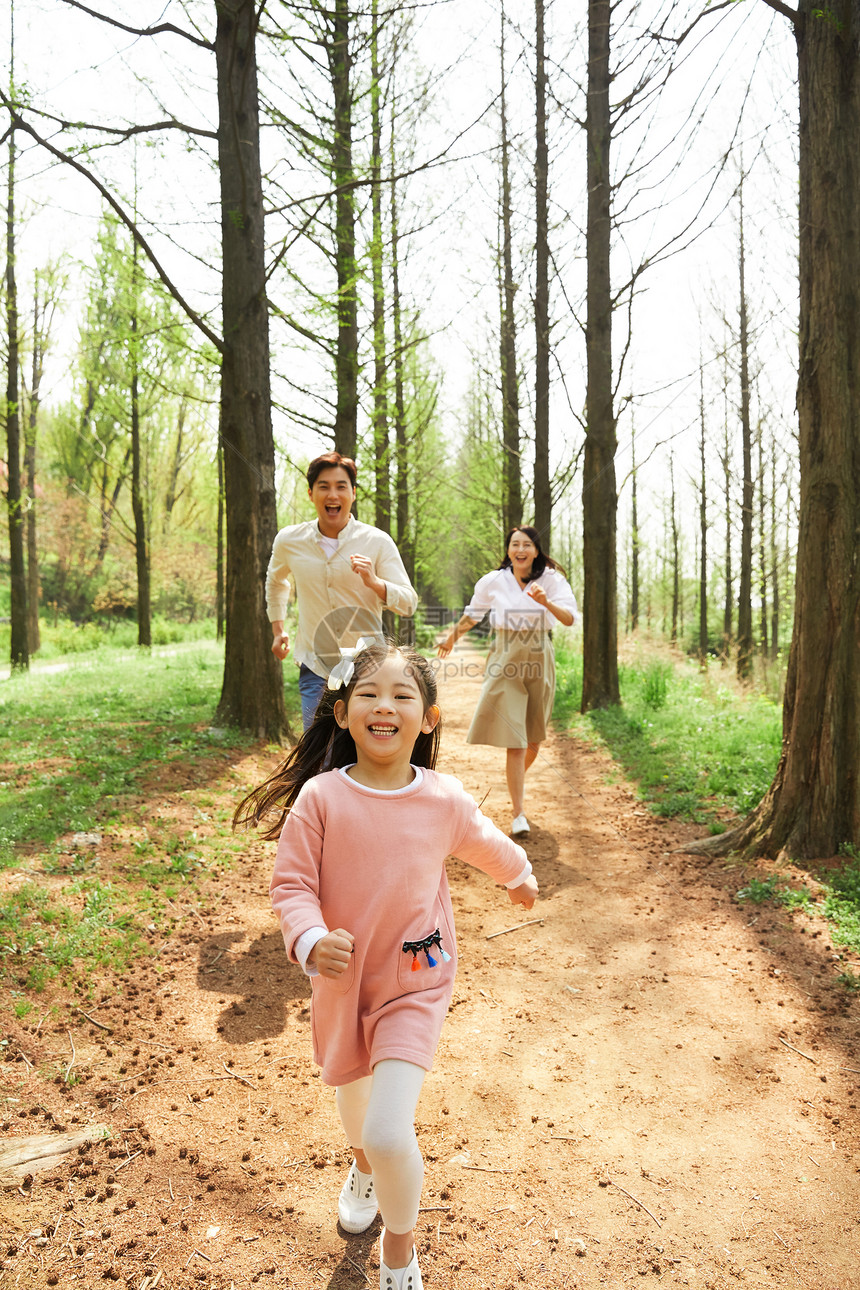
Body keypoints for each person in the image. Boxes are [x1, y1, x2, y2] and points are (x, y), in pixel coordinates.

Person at [234, 642, 538, 1290]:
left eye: (403, 695)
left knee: (389, 1129)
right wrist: (311, 939)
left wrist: (521, 875)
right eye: (370, 693)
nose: (385, 705)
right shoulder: (320, 799)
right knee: (358, 1117)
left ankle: (399, 1252)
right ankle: (362, 1172)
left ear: (427, 718)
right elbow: (290, 888)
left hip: (416, 981)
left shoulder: (442, 800)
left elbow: (485, 841)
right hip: (342, 987)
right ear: (341, 714)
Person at [437, 525, 579, 839]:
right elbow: (473, 615)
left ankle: (515, 780)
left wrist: (546, 602)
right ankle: (519, 813)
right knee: (515, 741)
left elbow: (569, 618)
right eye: (514, 544)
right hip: (504, 655)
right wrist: (451, 638)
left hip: (539, 653)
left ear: (536, 550)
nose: (520, 549)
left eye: (526, 544)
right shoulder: (494, 581)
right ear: (508, 550)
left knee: (533, 740)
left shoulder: (552, 580)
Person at [266, 451, 418, 728]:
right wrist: (278, 629)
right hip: (316, 665)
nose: (332, 494)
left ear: (353, 493)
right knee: (318, 755)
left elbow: (408, 603)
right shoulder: (290, 541)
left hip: (369, 669)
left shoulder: (377, 541)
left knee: (365, 754)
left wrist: (375, 582)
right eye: (324, 487)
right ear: (311, 494)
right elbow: (276, 582)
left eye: (341, 486)